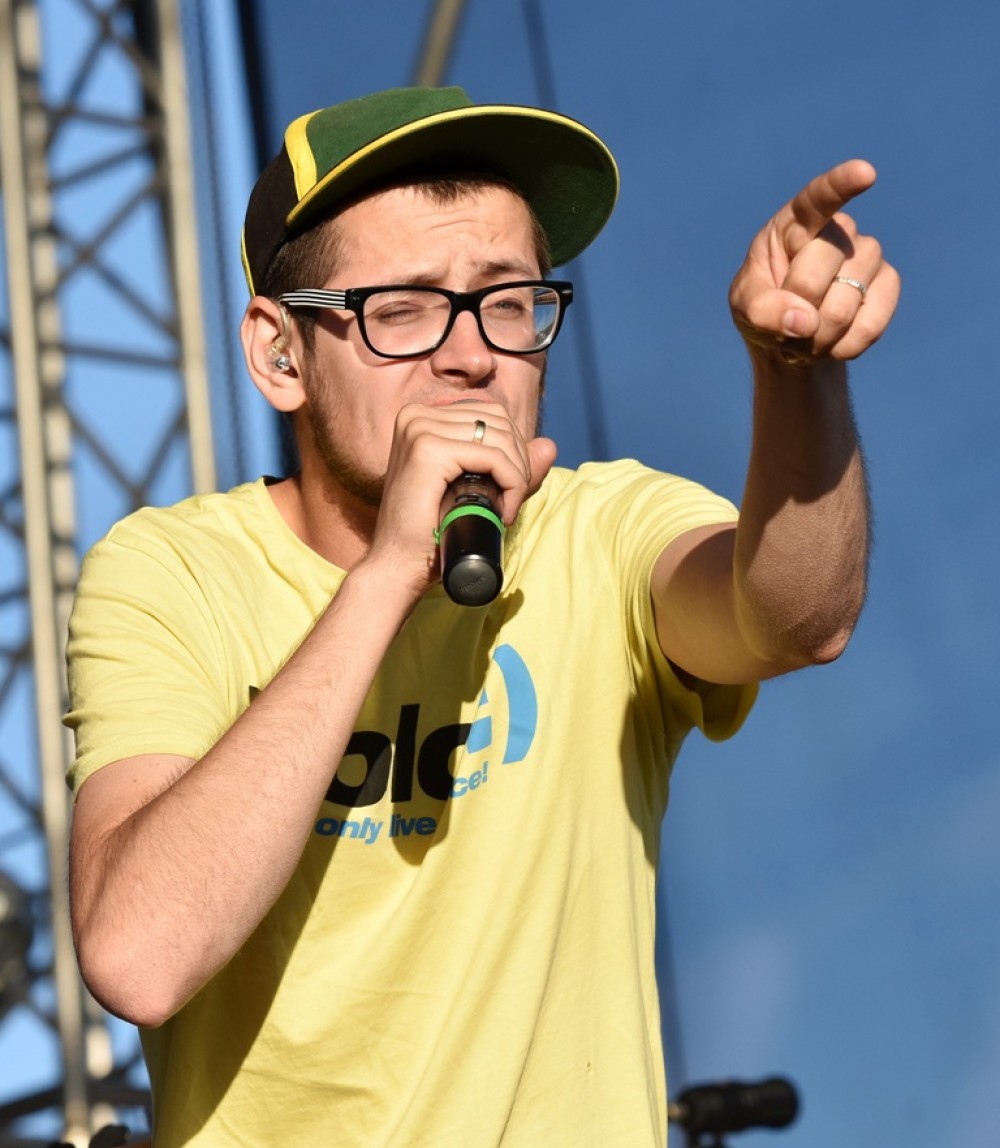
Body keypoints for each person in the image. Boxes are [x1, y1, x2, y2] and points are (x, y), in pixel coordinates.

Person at [64, 86, 899, 1147]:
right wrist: (387, 578)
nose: (470, 356)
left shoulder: (599, 529)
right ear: (280, 355)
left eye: (508, 303)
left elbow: (795, 617)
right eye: (402, 309)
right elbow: (139, 953)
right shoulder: (174, 573)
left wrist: (797, 375)